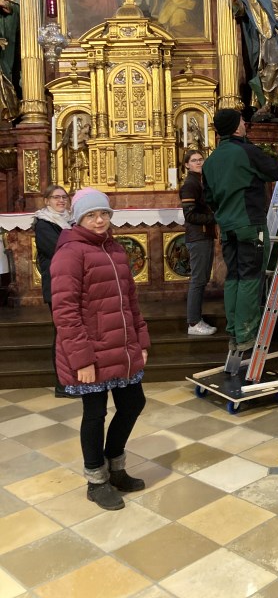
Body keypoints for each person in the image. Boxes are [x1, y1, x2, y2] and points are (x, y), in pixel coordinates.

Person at [50, 188, 150, 511]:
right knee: (94, 414)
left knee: (134, 402)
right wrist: (81, 358)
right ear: (79, 218)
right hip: (89, 352)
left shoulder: (115, 249)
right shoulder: (70, 252)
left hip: (120, 348)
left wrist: (141, 341)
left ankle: (115, 467)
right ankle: (96, 481)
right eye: (91, 215)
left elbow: (130, 302)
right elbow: (64, 310)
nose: (99, 220)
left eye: (103, 214)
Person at [202, 109, 278, 352]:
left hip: (227, 229)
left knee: (234, 277)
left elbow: (210, 199)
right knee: (250, 278)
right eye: (242, 121)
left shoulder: (211, 161)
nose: (246, 124)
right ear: (236, 127)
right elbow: (276, 171)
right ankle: (247, 335)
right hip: (249, 225)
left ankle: (234, 333)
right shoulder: (246, 152)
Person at [32, 185, 73, 398]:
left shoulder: (70, 221)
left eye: (64, 197)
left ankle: (72, 380)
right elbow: (62, 249)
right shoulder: (44, 224)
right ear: (47, 200)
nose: (61, 201)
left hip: (71, 284)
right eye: (56, 197)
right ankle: (62, 384)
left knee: (71, 333)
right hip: (56, 285)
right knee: (62, 334)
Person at [180, 150, 217, 336]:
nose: (199, 162)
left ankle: (196, 319)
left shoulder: (201, 181)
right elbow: (190, 215)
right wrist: (214, 217)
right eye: (194, 160)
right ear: (186, 164)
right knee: (198, 280)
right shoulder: (190, 184)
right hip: (198, 236)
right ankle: (193, 322)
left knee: (201, 280)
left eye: (201, 159)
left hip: (204, 235)